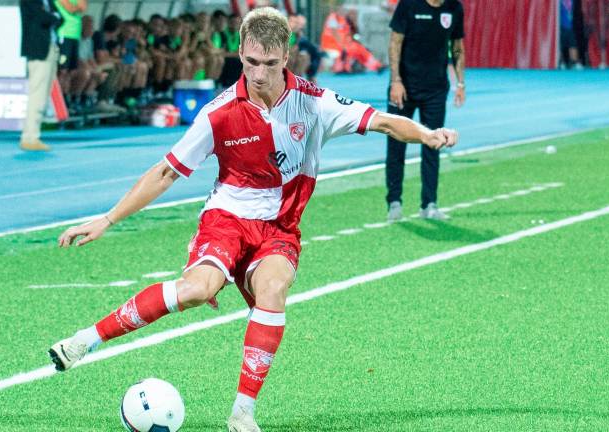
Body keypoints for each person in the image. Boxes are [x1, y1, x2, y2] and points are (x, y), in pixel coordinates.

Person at [47, 7, 457, 432]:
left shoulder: (315, 102)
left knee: (274, 287)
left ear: (287, 56)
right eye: (251, 63)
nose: (259, 74)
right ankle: (84, 341)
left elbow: (384, 122)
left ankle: (242, 412)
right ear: (241, 52)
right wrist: (109, 219)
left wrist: (426, 134)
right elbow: (166, 171)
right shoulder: (219, 112)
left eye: (270, 64)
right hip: (227, 219)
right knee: (196, 289)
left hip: (279, 229)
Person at [385, 0, 465, 221]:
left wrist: (461, 83)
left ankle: (429, 204)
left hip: (436, 90)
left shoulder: (454, 8)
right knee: (396, 144)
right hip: (404, 88)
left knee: (434, 144)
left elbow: (457, 46)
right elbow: (395, 43)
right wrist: (396, 81)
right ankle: (394, 201)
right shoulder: (409, 5)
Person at [19, 0, 62, 151]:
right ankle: (30, 137)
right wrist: (52, 17)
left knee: (43, 94)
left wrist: (52, 16)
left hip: (51, 47)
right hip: (38, 49)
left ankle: (34, 133)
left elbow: (59, 16)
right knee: (37, 93)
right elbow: (41, 17)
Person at [560, 0, 583, 69]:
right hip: (560, 26)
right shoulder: (558, 2)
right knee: (560, 44)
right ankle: (561, 62)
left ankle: (574, 62)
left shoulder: (573, 1)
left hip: (571, 26)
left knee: (572, 44)